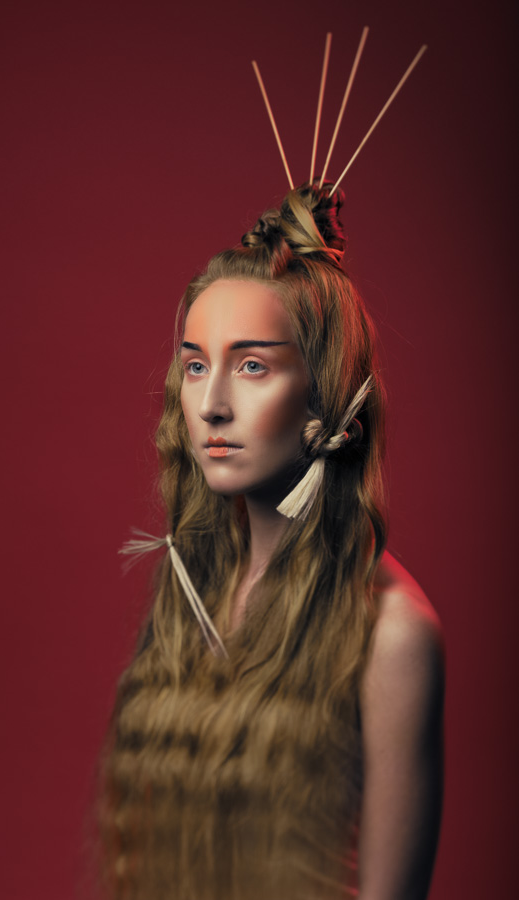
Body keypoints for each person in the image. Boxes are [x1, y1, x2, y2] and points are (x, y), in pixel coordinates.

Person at [97, 180, 445, 900]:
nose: (211, 405)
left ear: (325, 391)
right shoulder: (192, 590)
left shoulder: (391, 634)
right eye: (196, 365)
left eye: (252, 365)